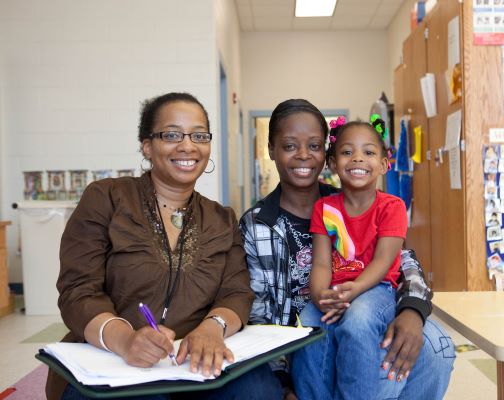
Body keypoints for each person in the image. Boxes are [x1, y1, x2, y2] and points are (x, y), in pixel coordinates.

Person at [47, 92, 283, 400]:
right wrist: (126, 340)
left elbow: (236, 292)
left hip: (191, 362)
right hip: (111, 360)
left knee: (259, 389)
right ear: (147, 146)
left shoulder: (221, 218)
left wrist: (212, 328)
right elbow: (77, 290)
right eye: (172, 135)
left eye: (199, 135)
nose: (187, 146)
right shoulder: (106, 199)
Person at [240, 99, 455, 400]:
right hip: (309, 328)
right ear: (271, 149)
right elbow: (259, 313)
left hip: (370, 305)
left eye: (314, 146)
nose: (303, 155)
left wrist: (413, 310)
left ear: (324, 155)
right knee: (325, 337)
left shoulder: (355, 198)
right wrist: (281, 381)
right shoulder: (259, 224)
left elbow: (402, 260)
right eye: (290, 146)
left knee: (435, 345)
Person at [292, 116, 409, 399]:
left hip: (376, 290)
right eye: (347, 152)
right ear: (333, 164)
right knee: (308, 323)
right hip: (335, 290)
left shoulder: (392, 207)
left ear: (384, 164)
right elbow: (320, 263)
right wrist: (320, 295)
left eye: (368, 152)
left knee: (357, 321)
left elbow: (383, 262)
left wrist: (356, 289)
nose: (357, 159)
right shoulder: (325, 208)